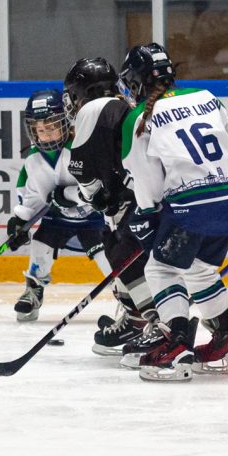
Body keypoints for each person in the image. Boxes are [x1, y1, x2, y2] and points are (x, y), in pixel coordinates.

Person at [118, 42, 228, 382]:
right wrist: (212, 175)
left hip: (191, 208)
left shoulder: (139, 118)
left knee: (161, 269)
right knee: (201, 268)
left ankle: (177, 344)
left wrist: (148, 211)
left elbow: (147, 180)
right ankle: (225, 340)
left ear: (135, 83)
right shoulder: (205, 96)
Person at [62, 57, 157, 355]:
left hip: (132, 199)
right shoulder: (124, 105)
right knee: (118, 248)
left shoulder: (92, 109)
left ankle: (154, 324)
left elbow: (82, 170)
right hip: (145, 194)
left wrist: (91, 195)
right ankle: (135, 319)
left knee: (122, 254)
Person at [7, 89, 111, 322]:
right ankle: (33, 289)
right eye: (40, 130)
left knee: (108, 258)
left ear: (65, 122)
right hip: (59, 220)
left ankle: (126, 296)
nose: (45, 134)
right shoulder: (33, 160)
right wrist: (20, 222)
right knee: (41, 241)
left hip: (95, 218)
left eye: (52, 126)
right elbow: (33, 196)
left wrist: (69, 194)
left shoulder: (82, 147)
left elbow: (100, 187)